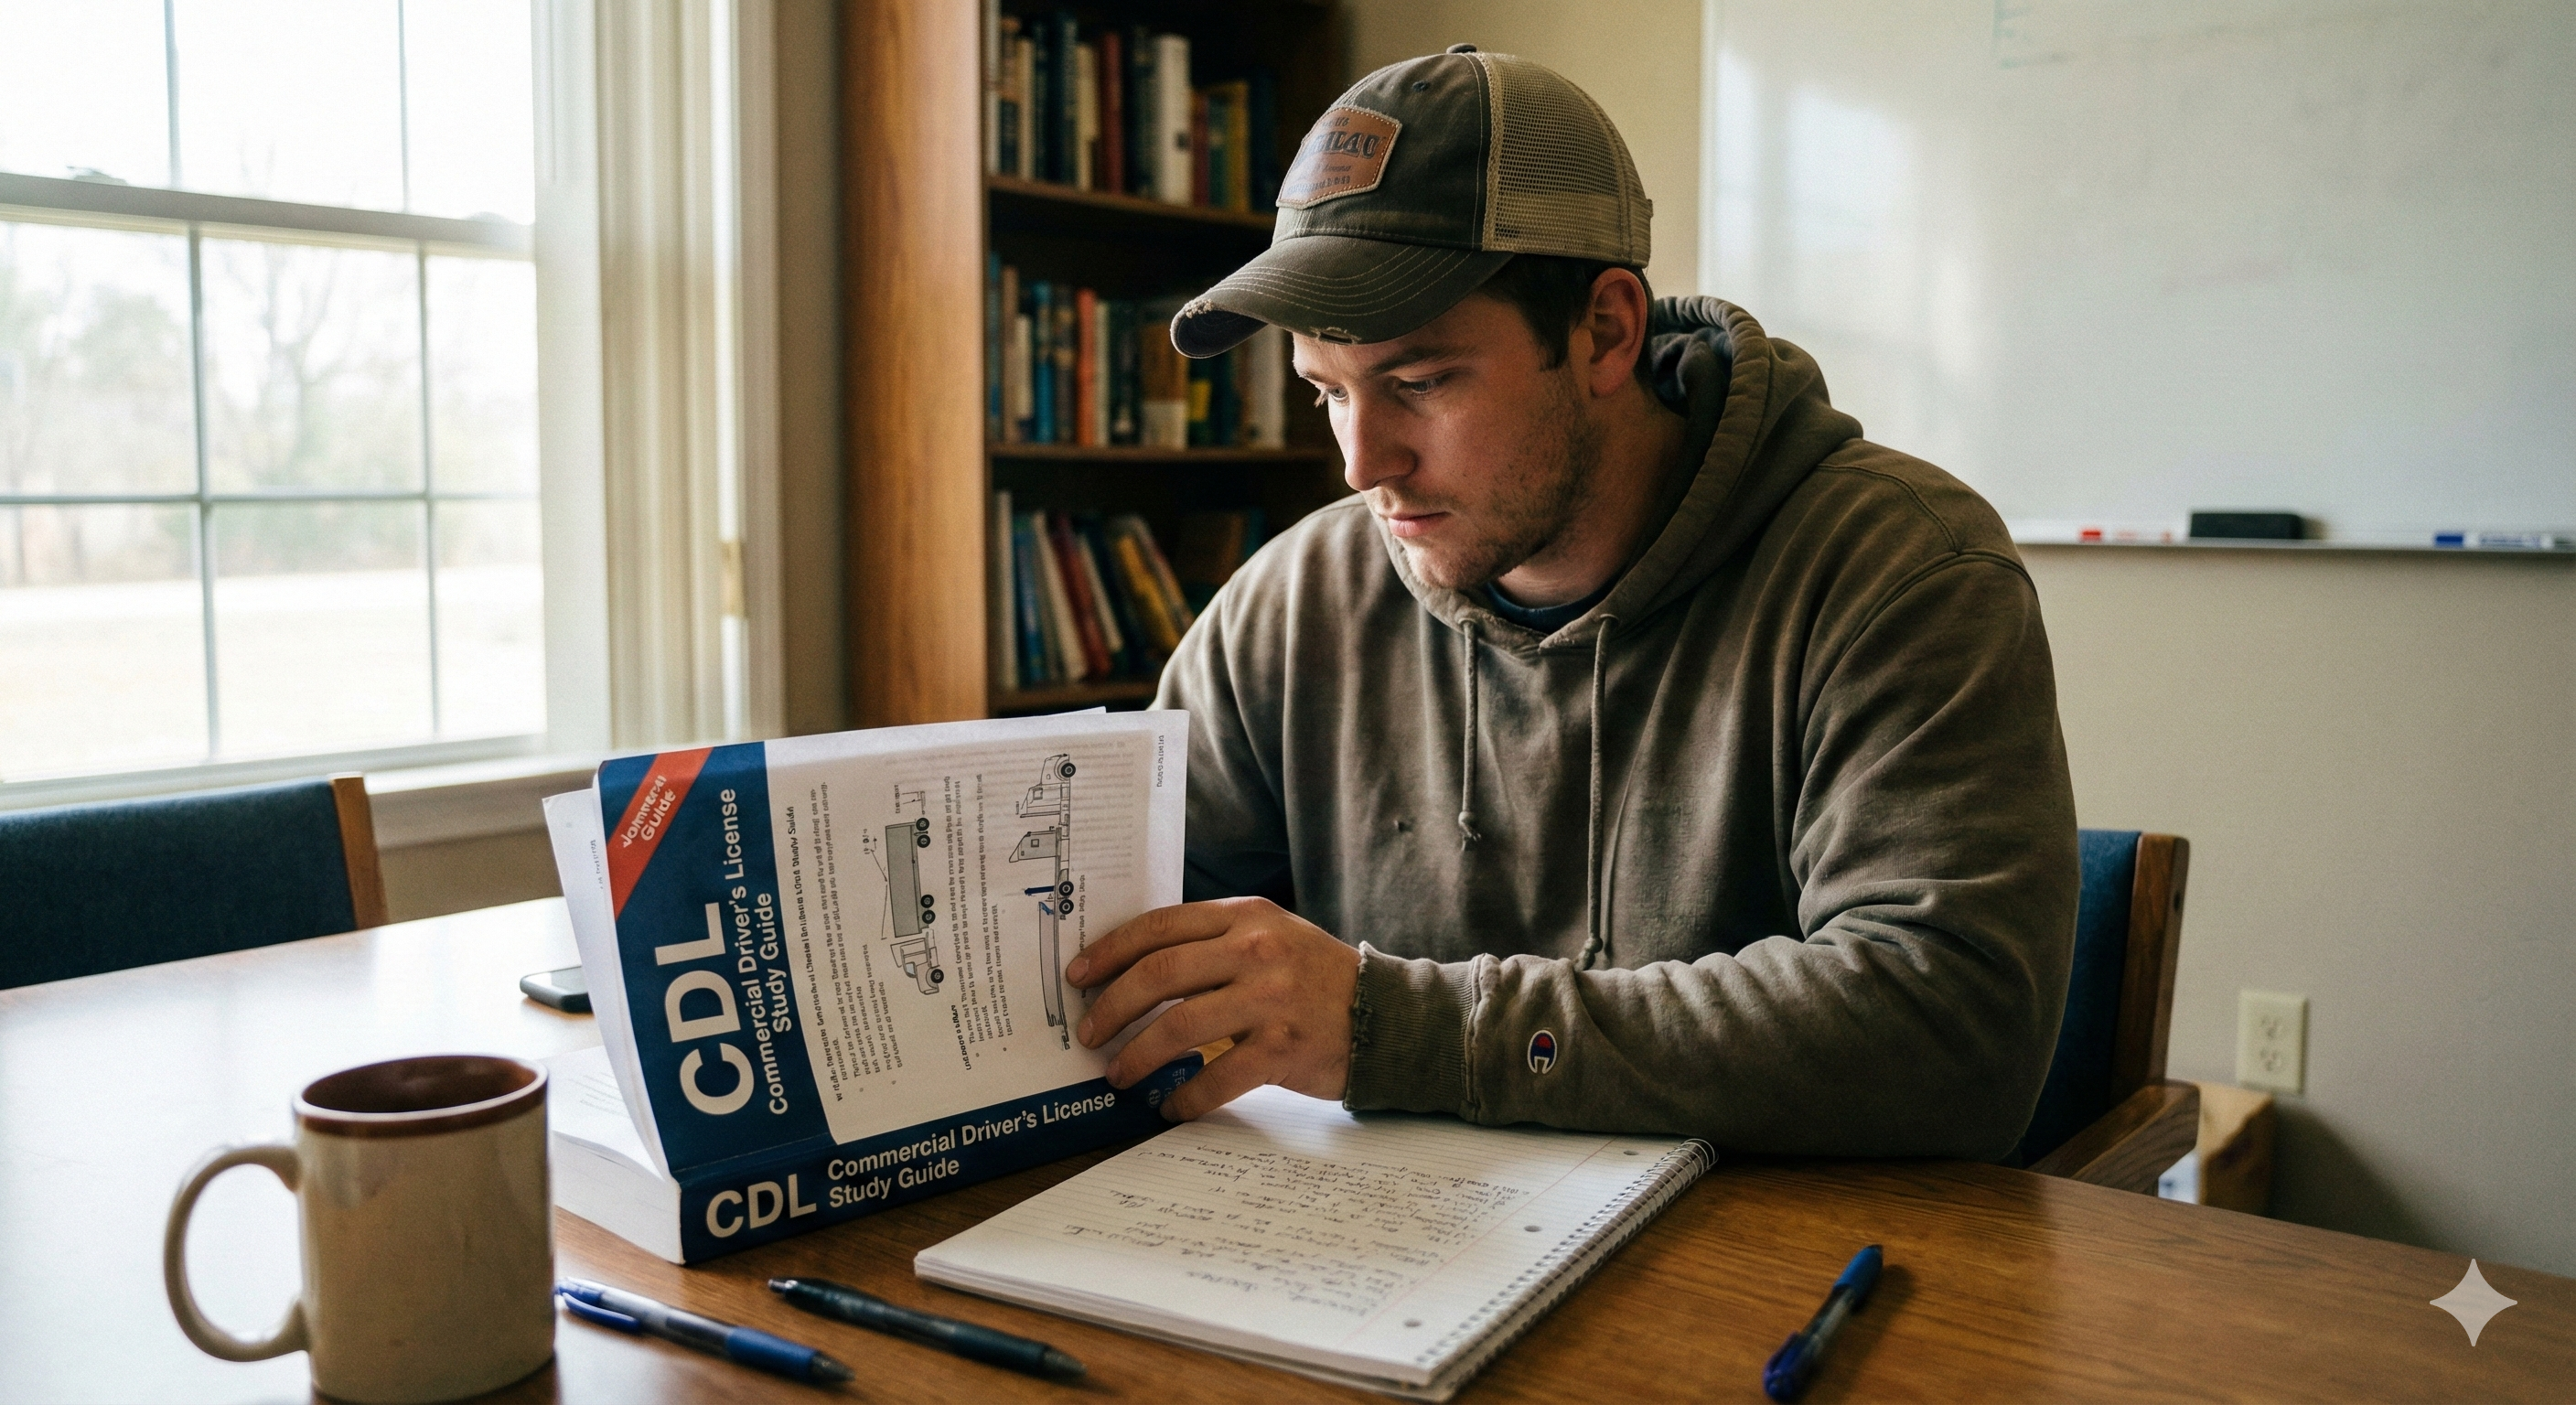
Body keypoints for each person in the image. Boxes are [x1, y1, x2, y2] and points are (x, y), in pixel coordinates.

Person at [1066, 46, 2079, 1159]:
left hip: (1765, 1279)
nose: (1362, 464)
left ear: (1604, 331)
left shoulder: (1898, 570)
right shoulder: (1291, 605)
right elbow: (1121, 947)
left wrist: (1396, 1030)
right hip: (1385, 1272)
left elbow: (1951, 1033)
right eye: (1328, 392)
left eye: (1418, 384)